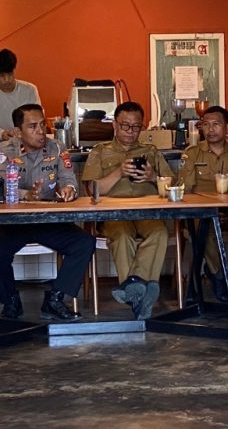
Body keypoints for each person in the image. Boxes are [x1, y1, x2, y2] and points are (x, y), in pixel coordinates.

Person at [0, 104, 95, 321]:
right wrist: (26, 195)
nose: (40, 131)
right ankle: (10, 302)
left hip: (48, 219)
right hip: (14, 222)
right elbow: (1, 185)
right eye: (32, 126)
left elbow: (69, 179)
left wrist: (68, 190)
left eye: (43, 125)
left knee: (84, 243)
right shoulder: (5, 150)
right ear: (18, 131)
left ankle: (55, 299)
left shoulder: (57, 147)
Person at [81, 101, 175, 319]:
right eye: (125, 125)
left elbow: (172, 185)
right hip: (113, 213)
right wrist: (119, 172)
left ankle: (133, 288)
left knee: (159, 233)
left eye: (136, 126)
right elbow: (92, 190)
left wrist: (152, 177)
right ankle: (142, 295)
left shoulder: (150, 151)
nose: (130, 131)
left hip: (147, 210)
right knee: (122, 236)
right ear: (114, 124)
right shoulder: (100, 152)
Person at [177, 105, 228, 301]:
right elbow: (185, 191)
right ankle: (221, 276)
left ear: (227, 127)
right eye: (206, 125)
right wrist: (210, 210)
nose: (210, 129)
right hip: (203, 213)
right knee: (204, 229)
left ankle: (227, 275)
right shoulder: (192, 154)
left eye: (216, 124)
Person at [0, 48, 41, 143]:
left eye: (10, 74)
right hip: (4, 146)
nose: (7, 80)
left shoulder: (30, 90)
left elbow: (38, 118)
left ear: (15, 70)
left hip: (29, 144)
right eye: (2, 75)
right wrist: (1, 133)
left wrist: (23, 131)